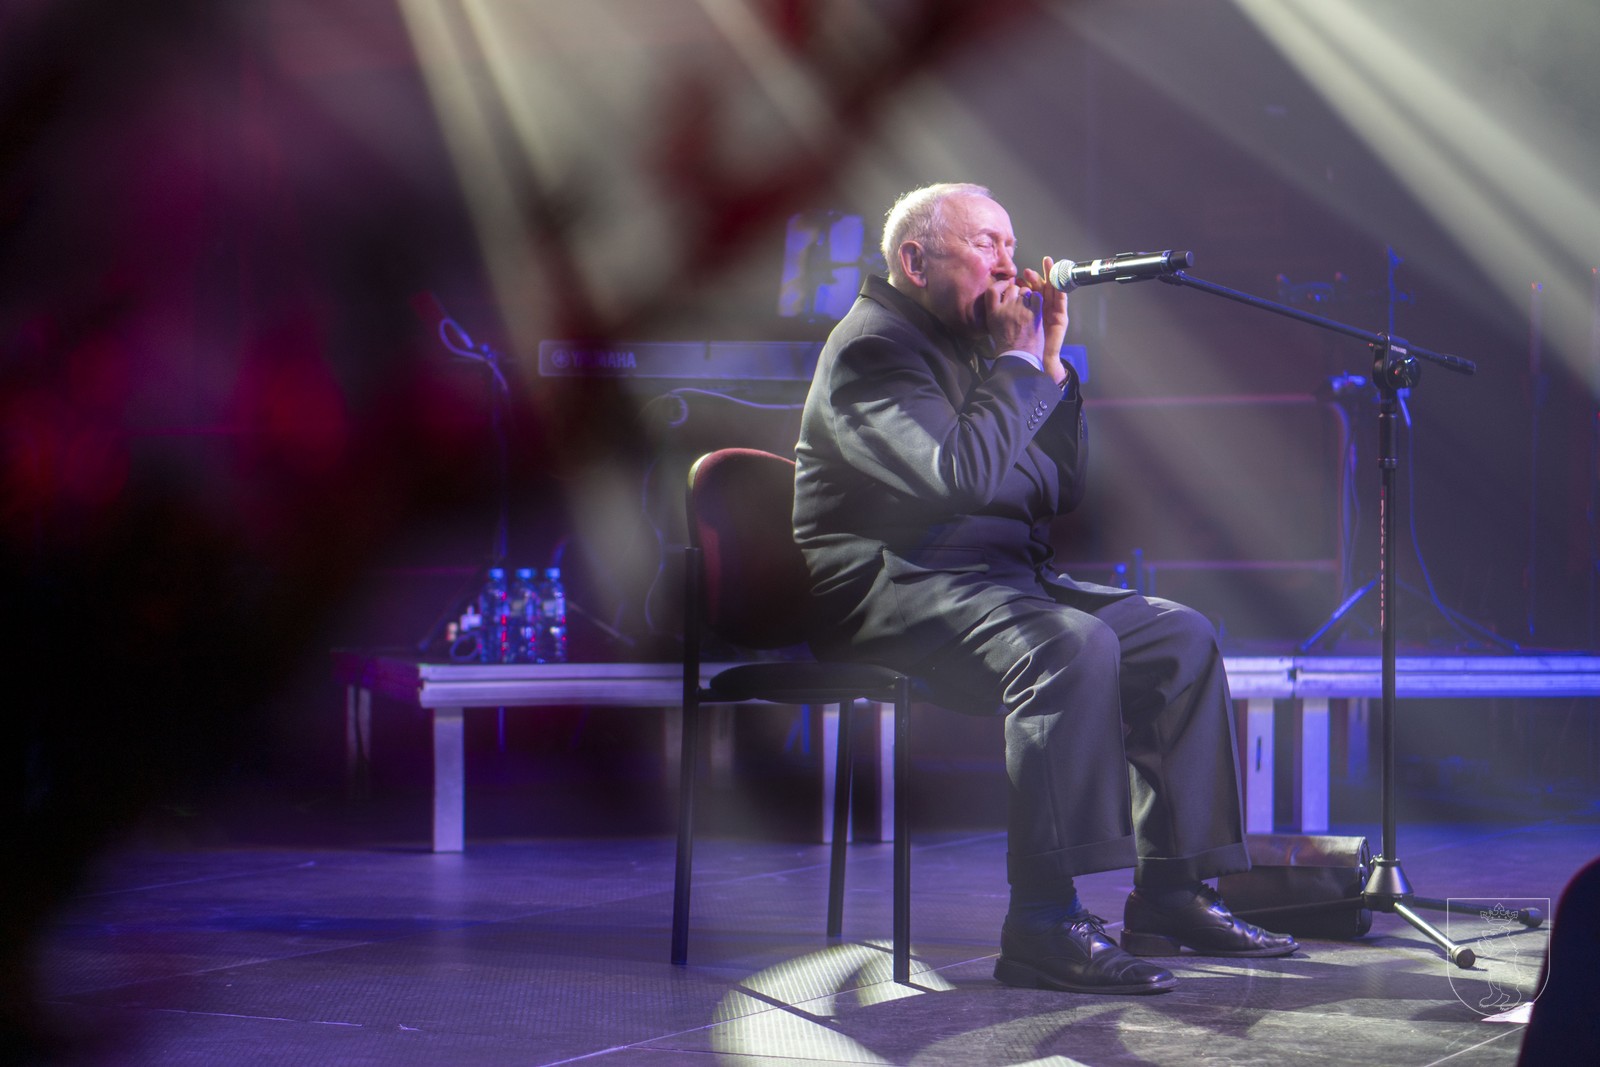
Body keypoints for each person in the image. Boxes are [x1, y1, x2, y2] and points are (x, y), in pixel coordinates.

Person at [792, 181, 1297, 994]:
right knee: (1068, 644)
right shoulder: (873, 349)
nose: (1010, 264)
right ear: (915, 261)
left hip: (994, 580)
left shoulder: (976, 349)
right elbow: (958, 476)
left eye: (1011, 243)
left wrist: (1050, 364)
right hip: (891, 588)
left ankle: (1173, 892)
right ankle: (1042, 919)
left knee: (1180, 637)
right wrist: (1019, 364)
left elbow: (1057, 489)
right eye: (986, 244)